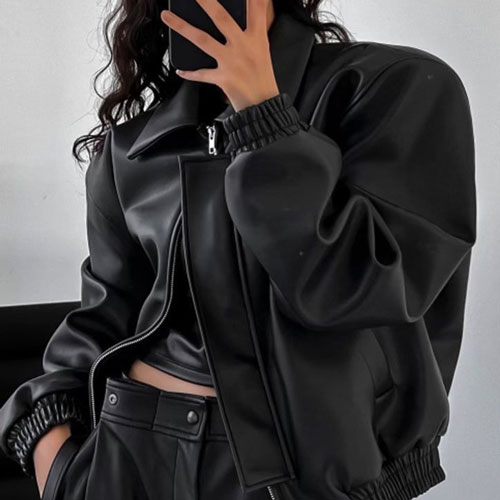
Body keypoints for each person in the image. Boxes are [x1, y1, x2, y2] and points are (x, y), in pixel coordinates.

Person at [0, 0, 477, 499]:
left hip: (307, 478)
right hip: (124, 463)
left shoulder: (391, 90)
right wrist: (53, 451)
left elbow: (355, 290)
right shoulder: (131, 150)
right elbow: (100, 321)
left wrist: (262, 116)